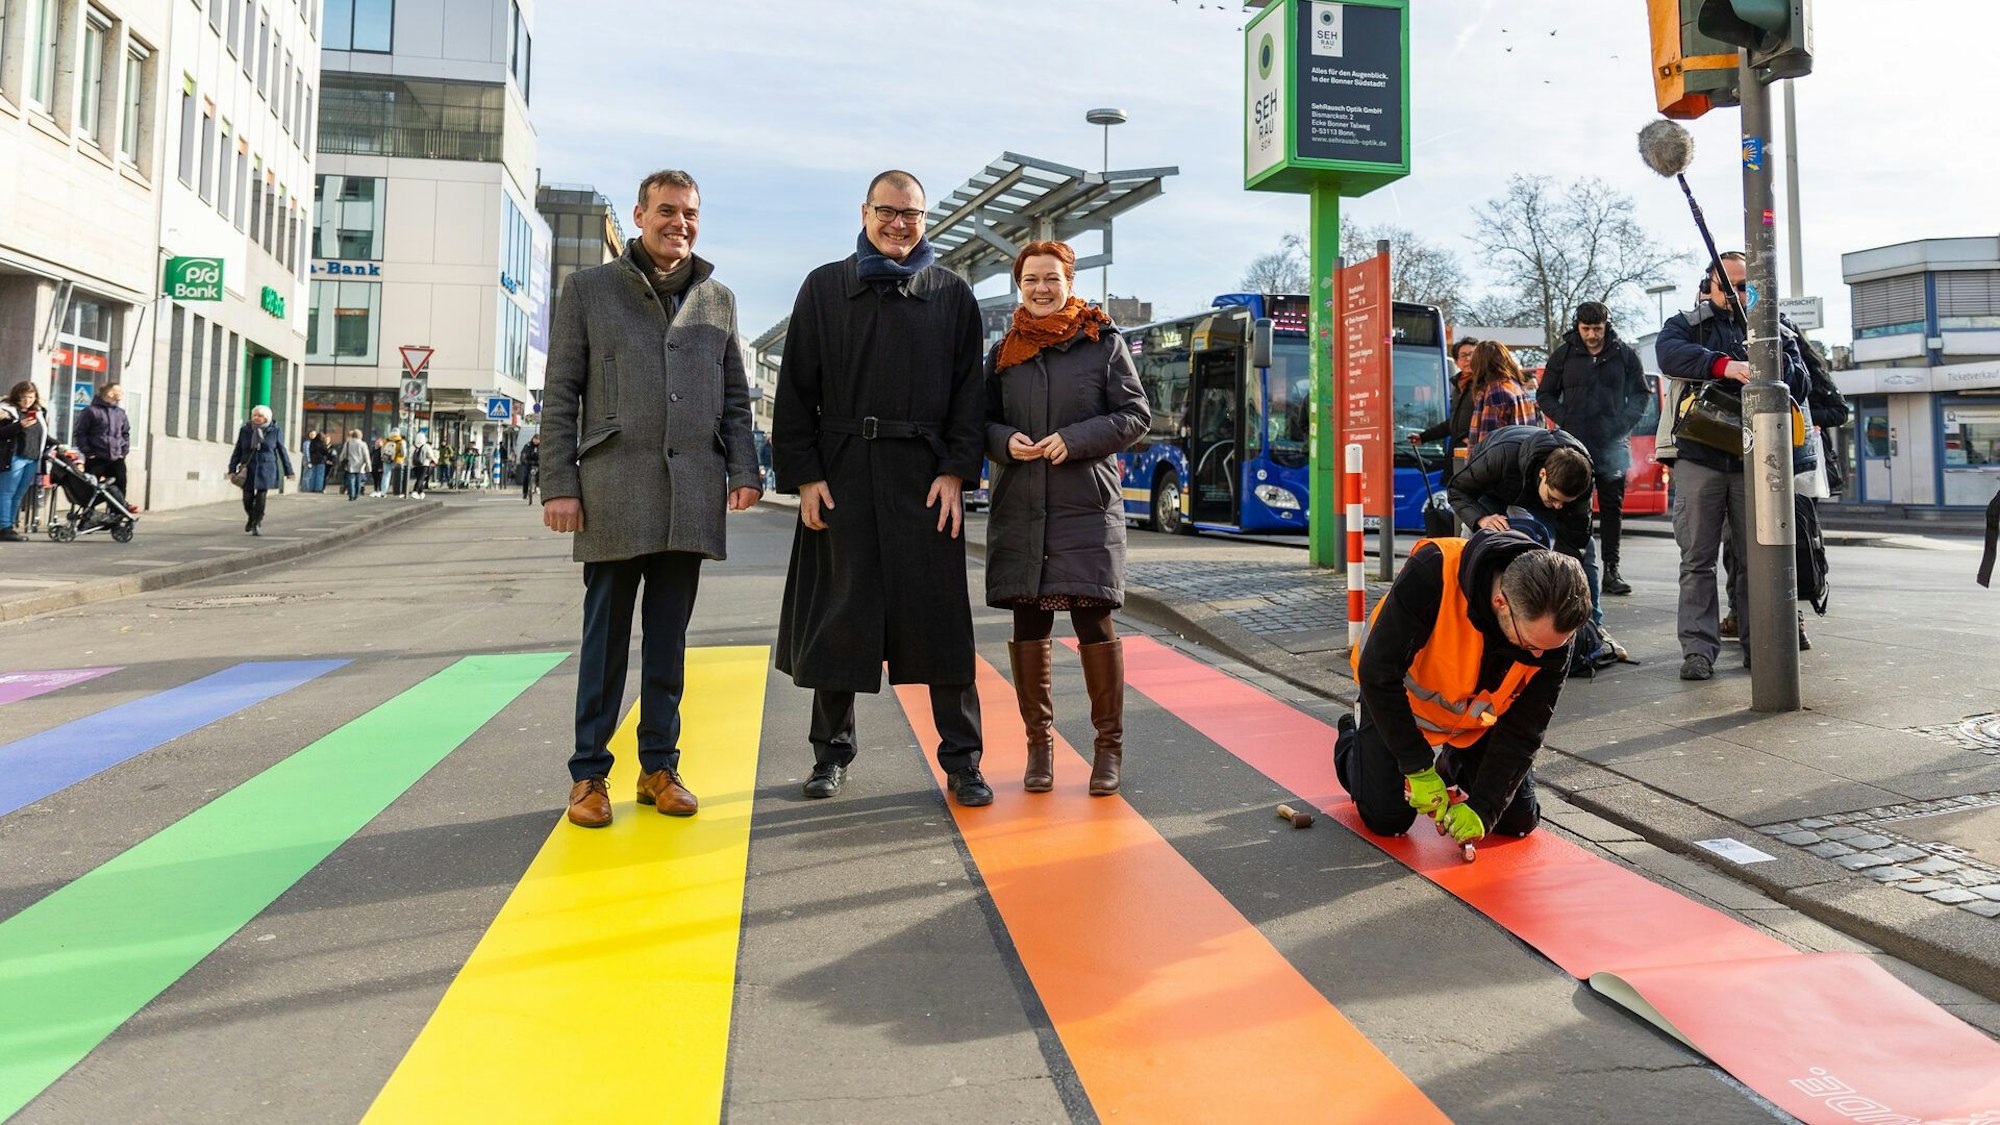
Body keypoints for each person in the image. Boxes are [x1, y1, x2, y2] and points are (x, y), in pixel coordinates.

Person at [542, 168, 762, 830]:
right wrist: (559, 483)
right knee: (605, 639)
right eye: (667, 211)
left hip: (689, 492)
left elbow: (734, 398)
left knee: (669, 641)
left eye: (691, 213)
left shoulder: (717, 299)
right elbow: (561, 395)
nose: (680, 223)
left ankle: (659, 767)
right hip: (612, 489)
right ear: (640, 215)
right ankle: (588, 776)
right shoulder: (588, 290)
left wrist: (745, 468)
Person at [772, 169, 991, 807]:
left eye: (913, 215)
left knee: (942, 624)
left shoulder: (952, 295)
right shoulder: (824, 287)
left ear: (926, 221)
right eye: (888, 212)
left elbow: (967, 399)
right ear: (865, 212)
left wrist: (956, 471)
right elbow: (795, 392)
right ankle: (829, 756)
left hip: (926, 479)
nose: (900, 224)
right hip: (842, 474)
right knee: (842, 615)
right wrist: (806, 476)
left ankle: (964, 760)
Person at [983, 240, 1151, 794]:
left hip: (1086, 506)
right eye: (1030, 279)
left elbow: (1135, 415)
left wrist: (1074, 440)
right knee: (1028, 624)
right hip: (1023, 508)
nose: (1041, 288)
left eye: (1051, 278)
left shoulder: (1103, 342)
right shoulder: (1004, 351)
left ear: (1069, 282)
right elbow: (978, 423)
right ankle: (1041, 748)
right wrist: (1007, 441)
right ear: (1019, 285)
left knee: (1094, 622)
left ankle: (1109, 750)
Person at [1335, 529, 1591, 844]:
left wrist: (1483, 810)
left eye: (1549, 648)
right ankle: (1353, 738)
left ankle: (1452, 762)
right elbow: (1378, 672)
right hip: (1398, 708)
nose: (1539, 656)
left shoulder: (1554, 631)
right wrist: (1417, 767)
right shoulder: (1434, 570)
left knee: (1518, 820)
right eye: (1530, 644)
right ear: (1500, 602)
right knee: (1388, 819)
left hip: (1473, 727)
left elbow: (1525, 730)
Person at [1656, 251, 1811, 680]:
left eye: (1745, 286)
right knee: (1697, 559)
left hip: (1754, 460)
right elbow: (1669, 356)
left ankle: (1758, 645)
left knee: (1754, 560)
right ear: (1710, 285)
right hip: (1699, 455)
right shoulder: (1685, 325)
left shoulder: (1773, 329)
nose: (1737, 293)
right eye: (1729, 285)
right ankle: (1698, 651)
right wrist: (1725, 366)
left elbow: (1802, 382)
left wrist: (1767, 360)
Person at [1539, 303, 1650, 597]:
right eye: (1586, 329)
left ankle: (1611, 570)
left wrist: (1622, 424)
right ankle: (1569, 568)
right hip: (1573, 446)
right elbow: (1545, 395)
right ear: (1578, 326)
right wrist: (1565, 419)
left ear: (1606, 325)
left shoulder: (1624, 354)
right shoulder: (1563, 355)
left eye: (1597, 329)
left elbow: (1641, 395)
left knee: (1612, 509)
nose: (1591, 335)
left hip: (1612, 443)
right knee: (1574, 507)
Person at [1409, 337, 1480, 472]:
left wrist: (1475, 442)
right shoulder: (1458, 387)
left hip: (1476, 457)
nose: (1468, 359)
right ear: (1456, 362)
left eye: (1473, 355)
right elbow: (1453, 423)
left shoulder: (1485, 385)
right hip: (1458, 457)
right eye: (1463, 356)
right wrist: (1424, 437)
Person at [227, 405, 295, 535]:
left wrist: (289, 471)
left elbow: (282, 451)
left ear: (266, 418)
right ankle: (251, 516)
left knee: (261, 496)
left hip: (266, 467)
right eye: (254, 415)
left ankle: (257, 522)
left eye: (260, 415)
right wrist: (231, 468)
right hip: (248, 467)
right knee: (247, 498)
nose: (256, 418)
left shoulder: (275, 431)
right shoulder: (245, 430)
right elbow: (238, 450)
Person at [1463, 340, 1539, 454]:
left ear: (1479, 365)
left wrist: (1474, 466)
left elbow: (1487, 439)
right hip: (1520, 459)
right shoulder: (1517, 388)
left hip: (1499, 465)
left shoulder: (1495, 391)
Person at [0, 382, 49, 542]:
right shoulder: (7, 412)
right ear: (17, 397)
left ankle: (11, 525)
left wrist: (57, 445)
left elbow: (41, 435)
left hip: (32, 458)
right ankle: (4, 527)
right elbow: (2, 433)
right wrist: (18, 426)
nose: (27, 400)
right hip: (14, 457)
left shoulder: (38, 413)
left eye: (30, 396)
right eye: (23, 397)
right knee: (6, 492)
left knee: (19, 494)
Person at [73, 382, 134, 506]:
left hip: (116, 458)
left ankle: (116, 518)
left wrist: (124, 451)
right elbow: (80, 433)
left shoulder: (120, 413)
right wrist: (88, 453)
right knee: (90, 492)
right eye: (119, 391)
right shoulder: (91, 411)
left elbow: (125, 433)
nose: (121, 393)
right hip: (96, 459)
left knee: (120, 489)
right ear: (110, 393)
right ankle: (88, 518)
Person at [336, 428, 371, 500]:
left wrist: (341, 460)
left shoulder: (348, 443)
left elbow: (343, 454)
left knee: (350, 479)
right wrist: (368, 466)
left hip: (350, 464)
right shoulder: (363, 444)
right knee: (358, 480)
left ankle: (351, 494)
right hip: (360, 465)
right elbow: (366, 455)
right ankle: (356, 494)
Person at [382, 430, 408, 496]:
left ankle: (383, 491)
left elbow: (382, 450)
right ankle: (397, 491)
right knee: (398, 477)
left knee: (386, 475)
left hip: (387, 459)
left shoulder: (386, 440)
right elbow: (403, 453)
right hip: (398, 460)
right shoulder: (401, 441)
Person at [411, 431, 436, 498]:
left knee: (419, 478)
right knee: (421, 478)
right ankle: (415, 491)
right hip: (424, 464)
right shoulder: (426, 446)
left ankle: (421, 492)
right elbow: (430, 455)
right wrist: (434, 460)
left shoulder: (413, 446)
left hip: (415, 465)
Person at [520, 434, 541, 502]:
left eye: (537, 440)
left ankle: (538, 486)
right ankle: (525, 493)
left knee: (540, 473)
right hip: (528, 462)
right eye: (535, 439)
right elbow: (523, 453)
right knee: (525, 476)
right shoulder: (528, 445)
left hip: (538, 463)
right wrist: (523, 460)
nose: (536, 441)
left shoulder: (542, 446)